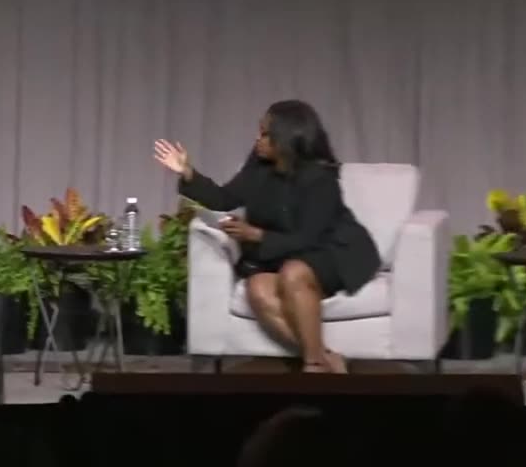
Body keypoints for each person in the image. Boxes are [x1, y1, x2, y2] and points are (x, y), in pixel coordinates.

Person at [153, 99, 379, 373]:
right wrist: (187, 171)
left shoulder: (320, 178)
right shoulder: (259, 166)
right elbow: (224, 197)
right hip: (285, 256)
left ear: (285, 140)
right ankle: (325, 357)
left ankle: (314, 366)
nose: (257, 139)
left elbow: (308, 238)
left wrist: (256, 235)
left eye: (264, 134)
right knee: (257, 287)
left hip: (333, 251)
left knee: (294, 273)